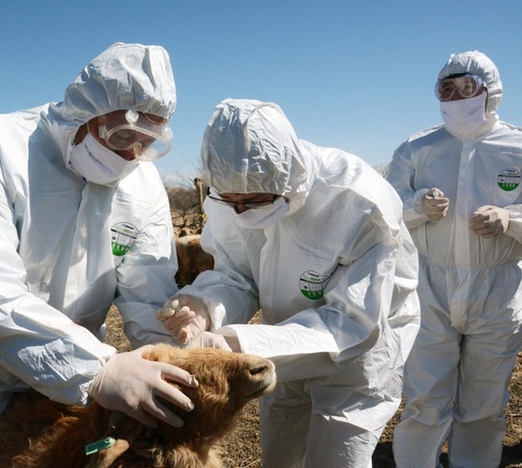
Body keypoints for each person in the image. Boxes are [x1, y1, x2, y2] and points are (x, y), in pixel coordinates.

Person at [0, 42, 199, 467]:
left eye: (147, 142)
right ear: (84, 113)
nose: (131, 155)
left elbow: (146, 289)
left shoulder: (143, 184)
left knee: (75, 456)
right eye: (121, 136)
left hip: (75, 354)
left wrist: (175, 352)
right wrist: (98, 369)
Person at [156, 98, 421, 467]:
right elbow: (239, 275)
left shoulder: (356, 203)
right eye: (231, 202)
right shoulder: (227, 196)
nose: (241, 213)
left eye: (253, 200)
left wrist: (236, 341)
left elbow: (353, 321)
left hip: (357, 355)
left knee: (337, 455)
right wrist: (205, 305)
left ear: (288, 180)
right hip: (278, 341)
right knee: (281, 453)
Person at [386, 50, 522, 467]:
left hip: (497, 293)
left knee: (484, 403)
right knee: (425, 400)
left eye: (468, 88)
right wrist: (415, 205)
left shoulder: (517, 147)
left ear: (491, 92)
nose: (457, 97)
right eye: (448, 89)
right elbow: (383, 211)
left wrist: (510, 220)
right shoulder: (417, 148)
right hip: (429, 290)